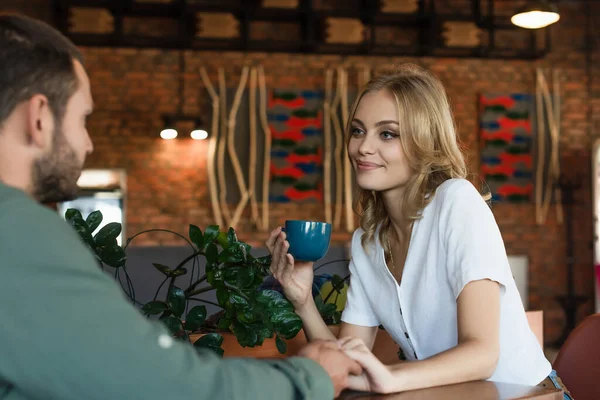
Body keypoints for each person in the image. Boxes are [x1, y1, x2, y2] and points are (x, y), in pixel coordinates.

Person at [0, 13, 362, 400]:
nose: (88, 143)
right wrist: (310, 377)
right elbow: (167, 385)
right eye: (83, 119)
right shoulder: (18, 230)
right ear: (39, 118)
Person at [267, 65, 573, 399]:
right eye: (358, 131)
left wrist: (390, 377)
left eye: (387, 134)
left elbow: (483, 355)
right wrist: (302, 300)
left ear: (424, 142)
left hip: (532, 397)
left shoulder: (457, 202)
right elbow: (345, 363)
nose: (362, 148)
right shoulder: (367, 242)